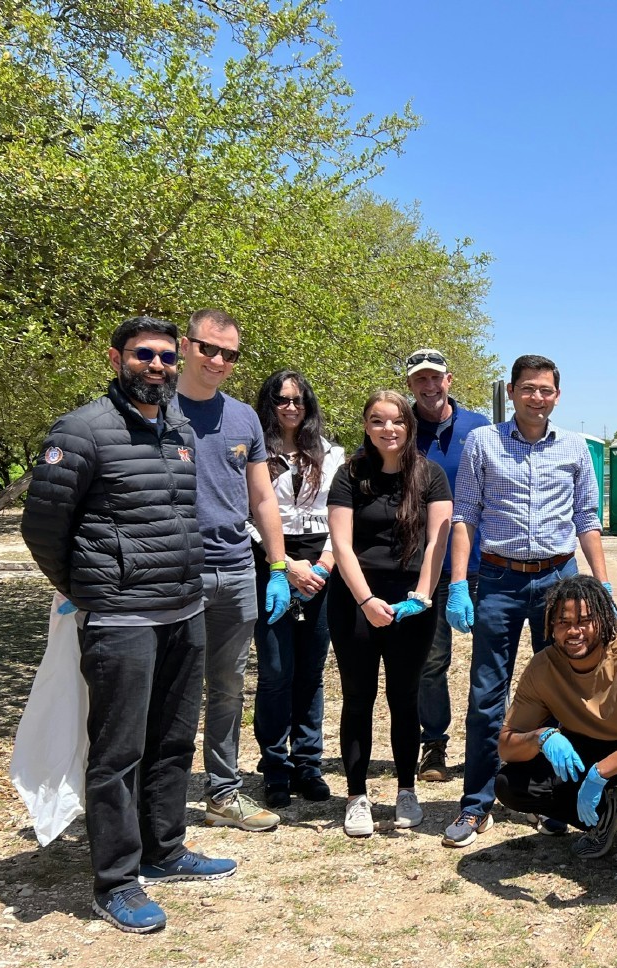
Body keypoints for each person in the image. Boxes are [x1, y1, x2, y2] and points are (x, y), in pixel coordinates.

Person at [22, 315, 234, 934]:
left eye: (169, 356)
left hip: (183, 610)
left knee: (172, 740)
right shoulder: (81, 430)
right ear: (117, 357)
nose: (159, 366)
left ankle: (164, 850)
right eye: (145, 354)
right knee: (118, 753)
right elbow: (43, 529)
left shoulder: (177, 429)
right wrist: (87, 588)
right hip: (120, 617)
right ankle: (115, 880)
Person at [443, 354, 610, 846]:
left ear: (557, 396)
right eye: (528, 388)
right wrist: (458, 583)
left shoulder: (576, 449)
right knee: (487, 696)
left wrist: (599, 587)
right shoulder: (483, 443)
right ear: (511, 392)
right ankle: (476, 804)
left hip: (560, 582)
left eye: (546, 390)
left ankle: (553, 800)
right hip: (498, 580)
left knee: (565, 695)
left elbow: (587, 520)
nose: (538, 397)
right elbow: (464, 517)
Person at [495, 576, 617, 895]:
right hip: (582, 747)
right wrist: (540, 737)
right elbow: (506, 744)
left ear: (603, 620)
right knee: (509, 784)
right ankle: (604, 816)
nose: (573, 631)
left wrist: (600, 773)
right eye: (563, 622)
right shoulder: (543, 668)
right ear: (550, 627)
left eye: (585, 621)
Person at [176, 309, 290, 834]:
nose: (218, 360)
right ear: (185, 345)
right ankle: (161, 796)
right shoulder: (155, 408)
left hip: (237, 571)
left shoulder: (244, 417)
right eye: (208, 348)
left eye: (229, 354)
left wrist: (278, 564)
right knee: (171, 688)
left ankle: (222, 794)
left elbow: (262, 496)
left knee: (227, 688)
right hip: (175, 574)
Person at [326, 390, 453, 837]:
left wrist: (421, 595)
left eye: (396, 421)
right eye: (378, 421)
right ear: (366, 425)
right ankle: (357, 795)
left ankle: (405, 789)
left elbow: (440, 540)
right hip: (355, 600)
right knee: (358, 698)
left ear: (408, 424)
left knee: (404, 696)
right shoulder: (349, 475)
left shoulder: (431, 474)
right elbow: (341, 544)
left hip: (412, 603)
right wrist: (364, 600)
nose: (388, 429)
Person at [250, 369, 346, 809]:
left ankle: (308, 764)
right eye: (281, 399)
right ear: (268, 404)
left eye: (298, 400)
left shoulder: (331, 455)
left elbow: (342, 517)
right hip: (271, 566)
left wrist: (323, 568)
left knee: (310, 672)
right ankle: (274, 767)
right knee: (275, 672)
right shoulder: (252, 453)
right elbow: (246, 515)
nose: (290, 407)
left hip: (323, 571)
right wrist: (285, 566)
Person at [406, 346, 491, 784]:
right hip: (424, 567)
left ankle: (490, 745)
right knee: (431, 661)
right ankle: (433, 745)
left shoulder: (479, 427)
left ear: (449, 380)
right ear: (410, 386)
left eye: (435, 377)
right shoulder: (399, 428)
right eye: (420, 379)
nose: (429, 385)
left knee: (490, 660)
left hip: (484, 564)